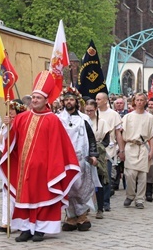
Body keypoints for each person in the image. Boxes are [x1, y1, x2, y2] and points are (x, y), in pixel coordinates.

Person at [0, 70, 80, 242]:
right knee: (25, 198)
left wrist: (55, 166)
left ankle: (40, 229)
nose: (35, 100)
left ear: (46, 100)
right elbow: (12, 140)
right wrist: (8, 127)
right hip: (24, 168)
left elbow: (60, 146)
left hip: (44, 169)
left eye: (38, 98)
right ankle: (26, 228)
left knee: (43, 197)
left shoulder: (53, 120)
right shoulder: (22, 118)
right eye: (33, 97)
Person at [58, 87, 99, 232]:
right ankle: (70, 216)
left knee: (80, 187)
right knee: (67, 188)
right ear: (63, 101)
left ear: (76, 101)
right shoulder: (58, 118)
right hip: (63, 159)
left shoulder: (84, 118)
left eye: (72, 99)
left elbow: (91, 138)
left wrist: (93, 154)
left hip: (81, 158)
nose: (69, 102)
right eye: (67, 99)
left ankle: (82, 215)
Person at [0, 99, 26, 233]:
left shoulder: (23, 123)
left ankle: (21, 221)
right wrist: (6, 128)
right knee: (7, 191)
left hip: (19, 162)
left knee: (20, 193)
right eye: (9, 110)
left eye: (12, 110)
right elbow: (1, 141)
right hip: (9, 161)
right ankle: (6, 222)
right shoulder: (5, 124)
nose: (10, 113)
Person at [120, 93, 153, 209]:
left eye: (142, 100)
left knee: (142, 175)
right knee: (129, 174)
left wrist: (151, 150)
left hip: (143, 147)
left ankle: (140, 199)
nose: (140, 102)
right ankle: (130, 195)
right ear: (134, 102)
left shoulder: (150, 117)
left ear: (145, 102)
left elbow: (151, 136)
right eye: (138, 100)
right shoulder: (127, 117)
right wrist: (122, 150)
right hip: (130, 146)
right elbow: (122, 134)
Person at [95, 91, 123, 212]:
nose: (96, 101)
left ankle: (106, 201)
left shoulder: (113, 114)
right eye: (96, 99)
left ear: (106, 101)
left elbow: (118, 133)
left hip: (108, 149)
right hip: (94, 148)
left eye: (99, 99)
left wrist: (121, 150)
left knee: (105, 176)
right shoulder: (93, 113)